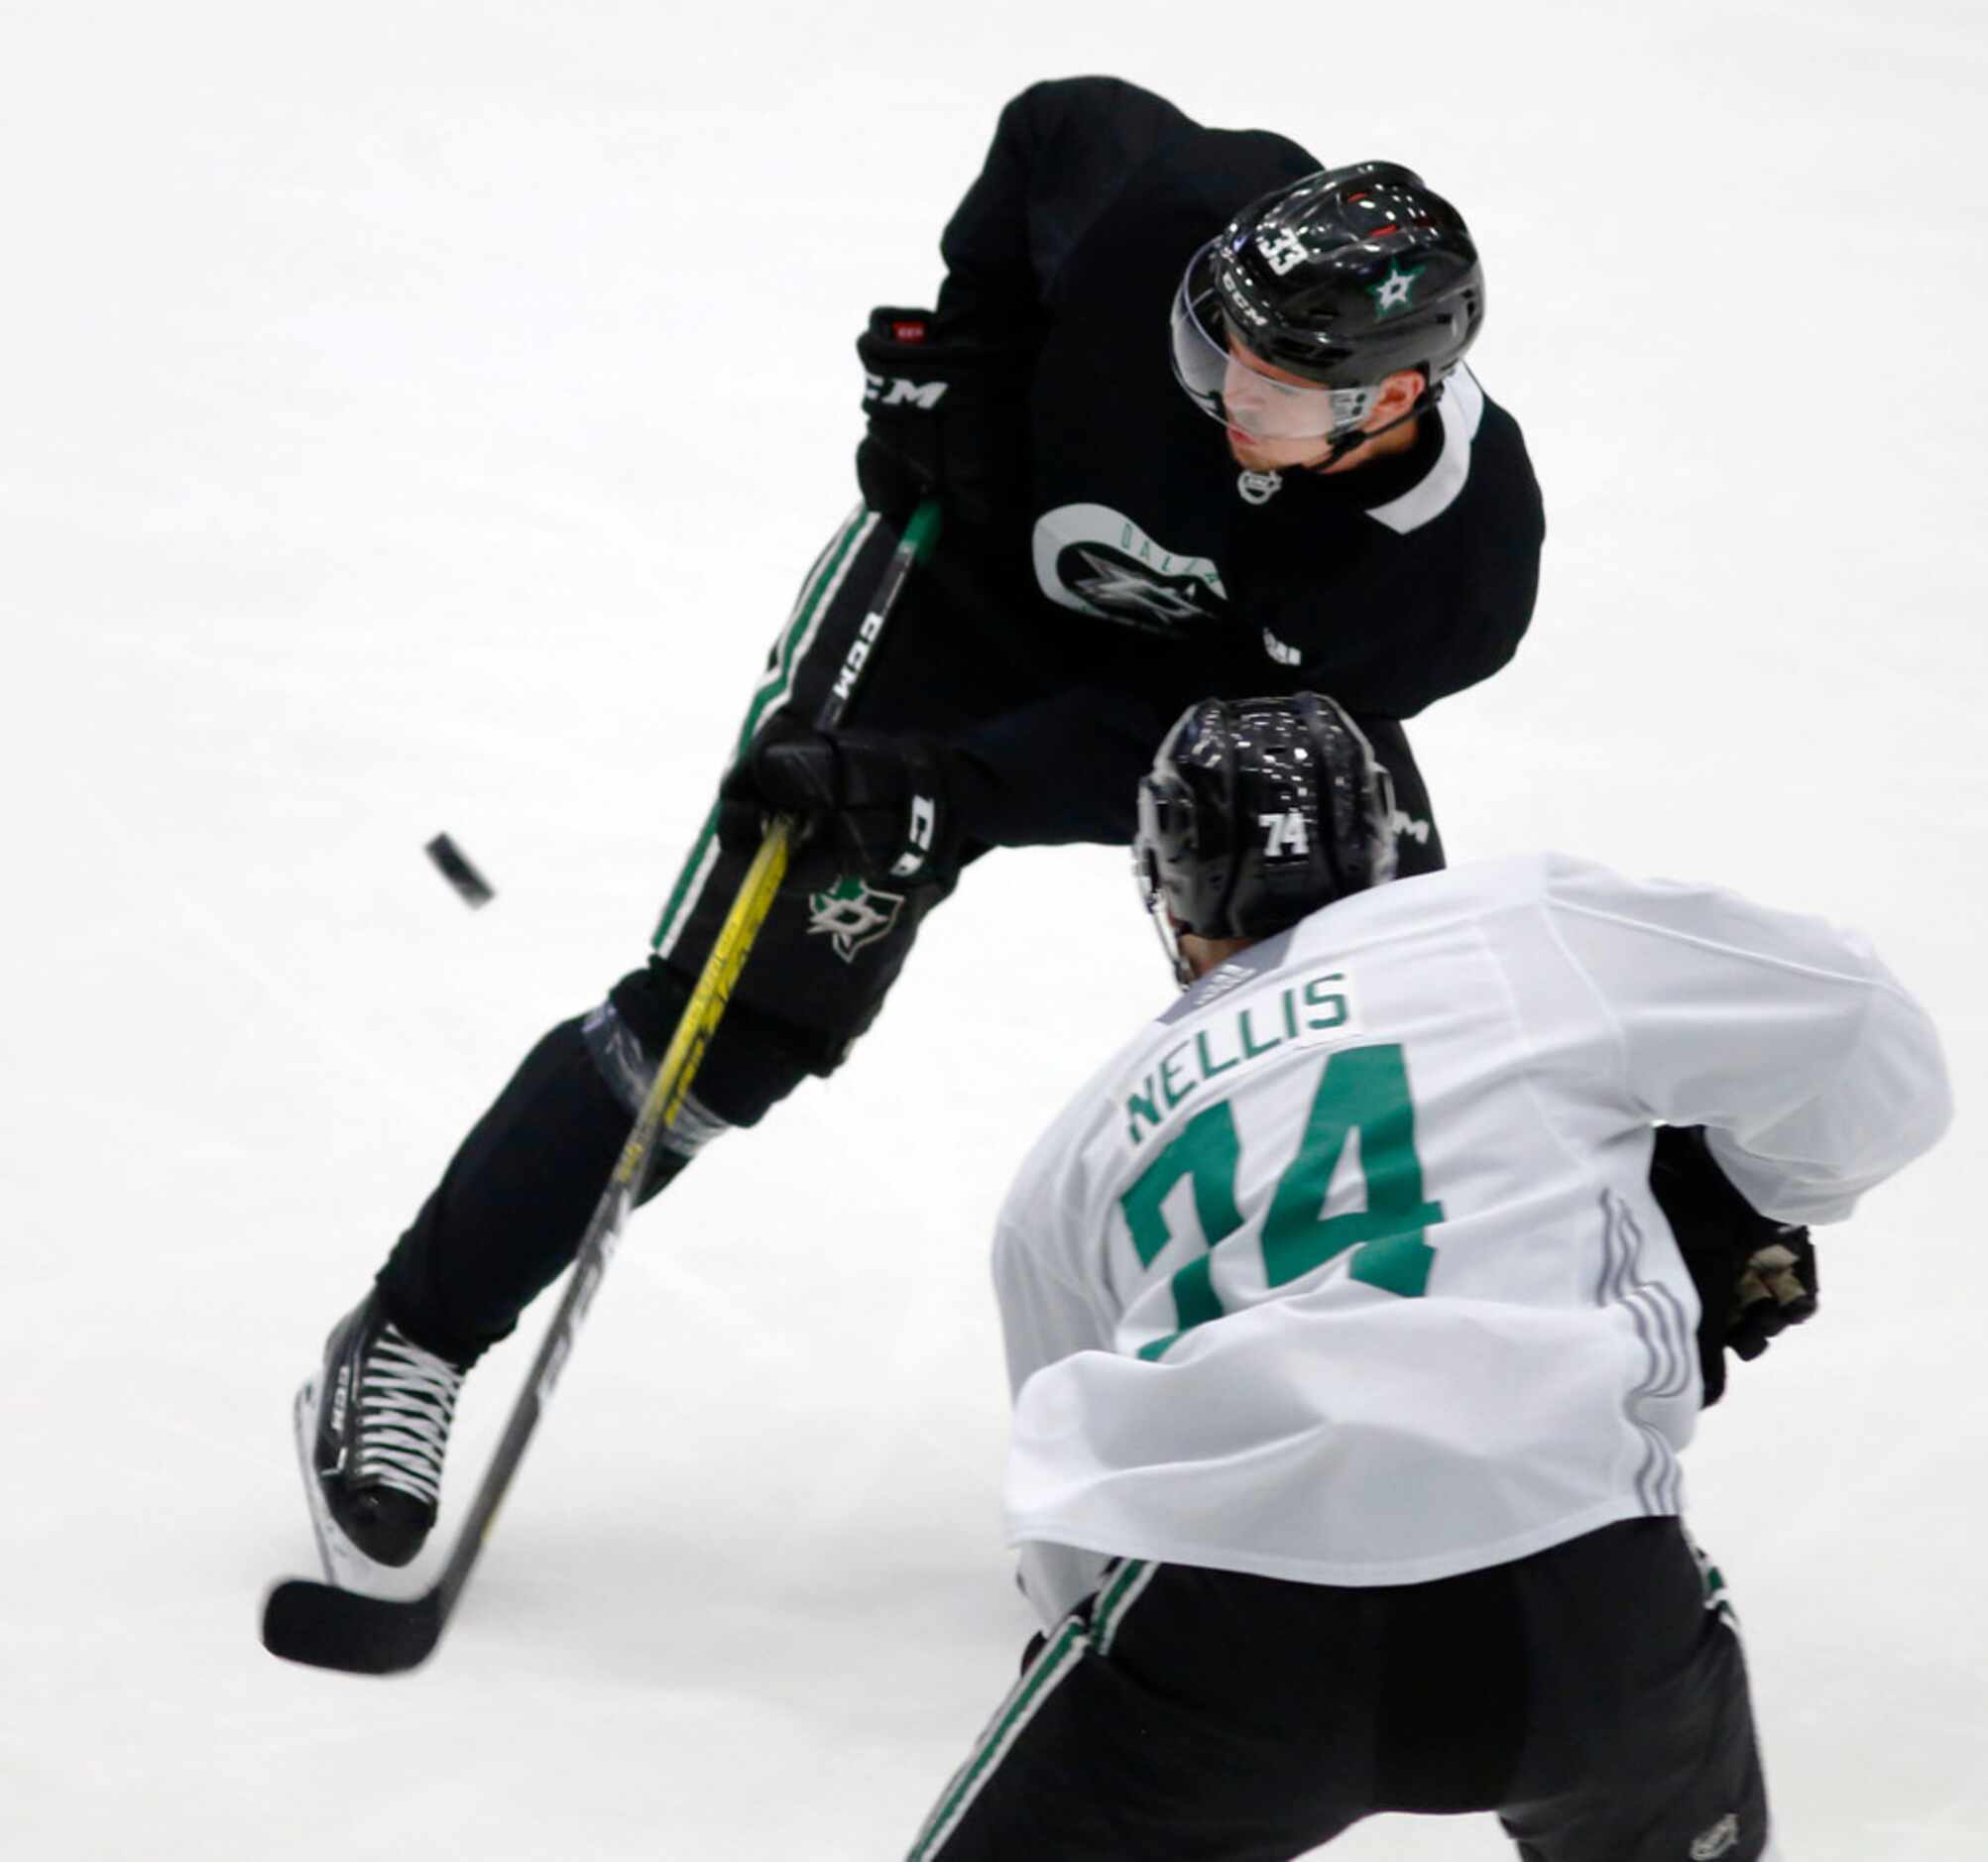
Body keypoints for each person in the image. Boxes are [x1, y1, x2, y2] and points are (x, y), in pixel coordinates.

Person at [292, 75, 1547, 1579]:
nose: (1216, 390)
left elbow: (1172, 749)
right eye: (1205, 343)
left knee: (1358, 1036)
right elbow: (1057, 124)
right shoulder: (1178, 219)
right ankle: (413, 1333)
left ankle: (1355, 1439)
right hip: (949, 615)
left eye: (1266, 386)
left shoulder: (1449, 576)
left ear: (1387, 402)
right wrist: (965, 360)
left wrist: (965, 791)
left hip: (1190, 706)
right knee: (738, 1010)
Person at [903, 691, 1949, 1862]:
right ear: (1391, 840)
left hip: (1232, 1628)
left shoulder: (1080, 1144)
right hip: (1582, 1593)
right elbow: (1864, 1032)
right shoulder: (1510, 923)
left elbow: (1070, 1536)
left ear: (1170, 896)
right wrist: (1735, 1200)